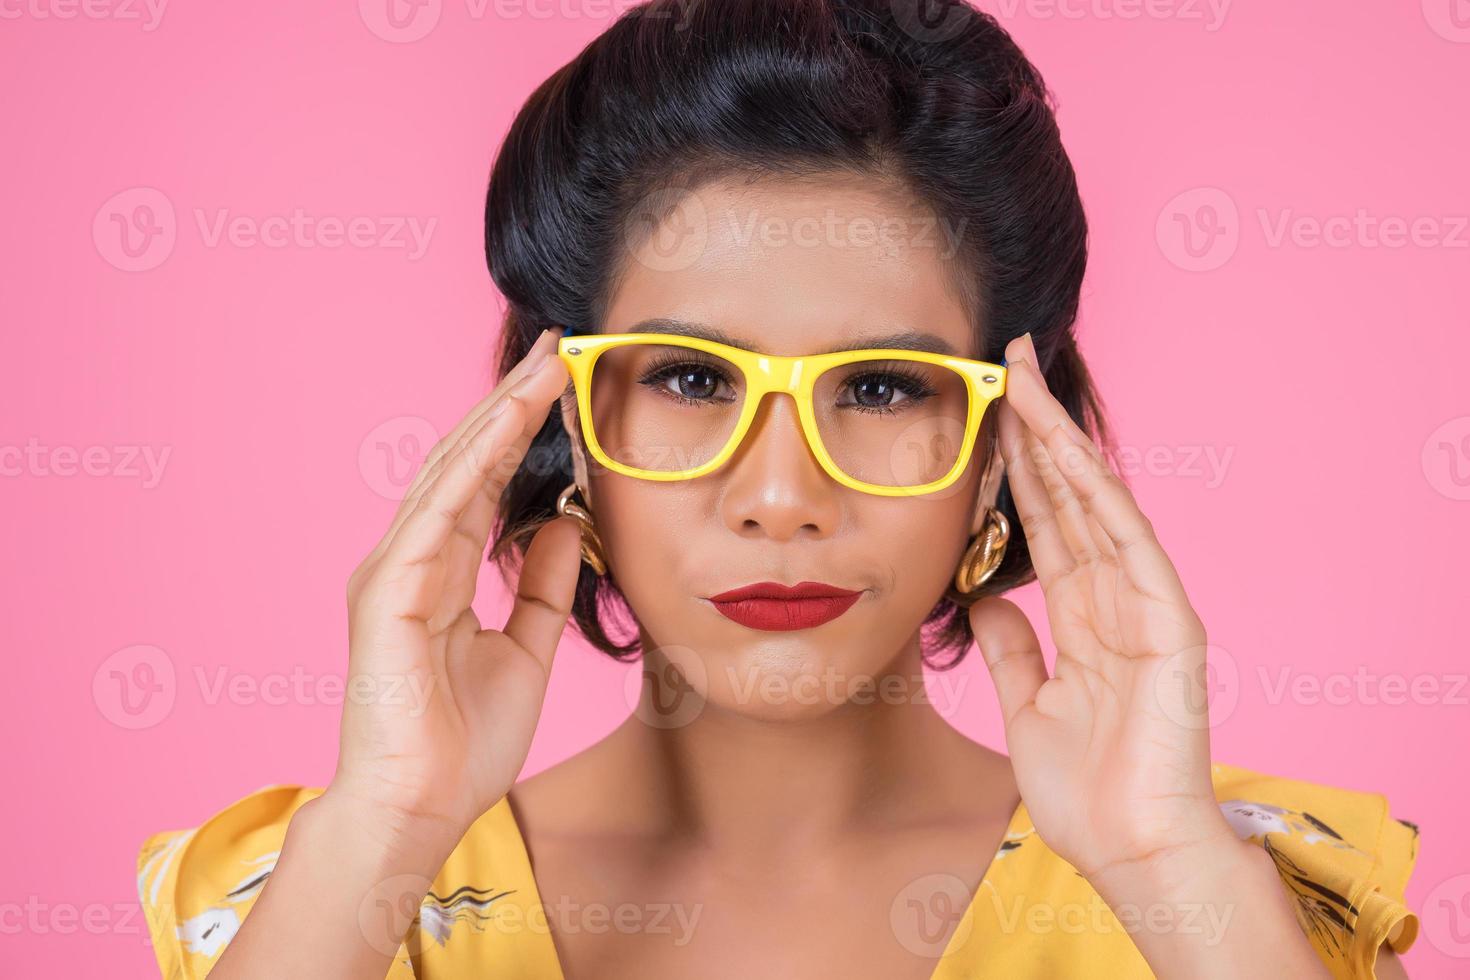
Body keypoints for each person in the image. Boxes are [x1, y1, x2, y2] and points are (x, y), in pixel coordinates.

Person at [135, 1, 1420, 977]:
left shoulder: (1228, 898)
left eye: (881, 389)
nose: (782, 497)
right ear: (567, 425)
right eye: (693, 378)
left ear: (1002, 451)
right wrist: (381, 831)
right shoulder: (335, 901)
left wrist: (1167, 867)